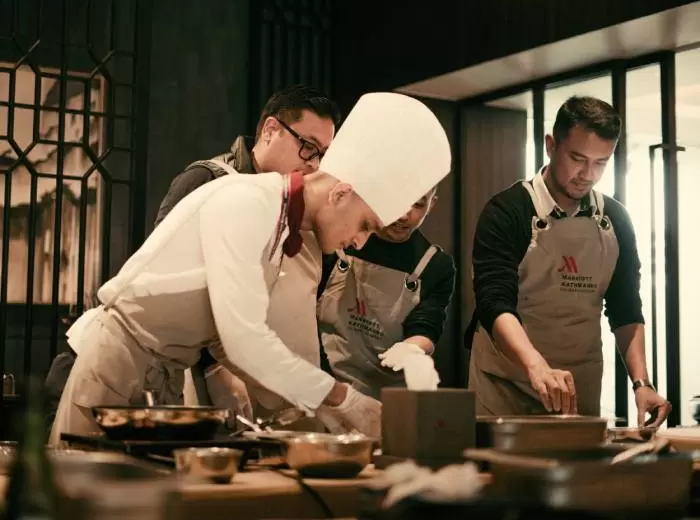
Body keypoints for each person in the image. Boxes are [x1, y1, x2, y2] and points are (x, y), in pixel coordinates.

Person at [48, 91, 452, 445]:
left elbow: (231, 338)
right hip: (117, 364)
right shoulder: (246, 201)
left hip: (164, 377)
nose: (361, 241)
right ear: (341, 193)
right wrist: (339, 398)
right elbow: (244, 336)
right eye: (364, 224)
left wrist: (308, 412)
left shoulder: (281, 222)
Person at [44, 84, 340, 429]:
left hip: (180, 366)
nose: (313, 165)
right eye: (307, 147)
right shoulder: (213, 181)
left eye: (322, 155)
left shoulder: (283, 209)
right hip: (130, 361)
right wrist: (215, 367)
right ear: (271, 130)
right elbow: (169, 283)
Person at [466, 95, 671, 427]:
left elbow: (626, 309)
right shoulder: (507, 211)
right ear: (550, 145)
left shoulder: (615, 219)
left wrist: (642, 383)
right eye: (578, 158)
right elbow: (494, 302)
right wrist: (535, 365)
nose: (587, 174)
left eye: (601, 163)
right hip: (507, 385)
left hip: (576, 388)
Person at [317, 187, 455, 399]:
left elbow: (426, 327)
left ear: (431, 205)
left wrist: (411, 349)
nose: (404, 215)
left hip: (387, 396)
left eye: (418, 204)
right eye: (398, 199)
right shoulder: (340, 238)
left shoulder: (435, 265)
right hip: (325, 381)